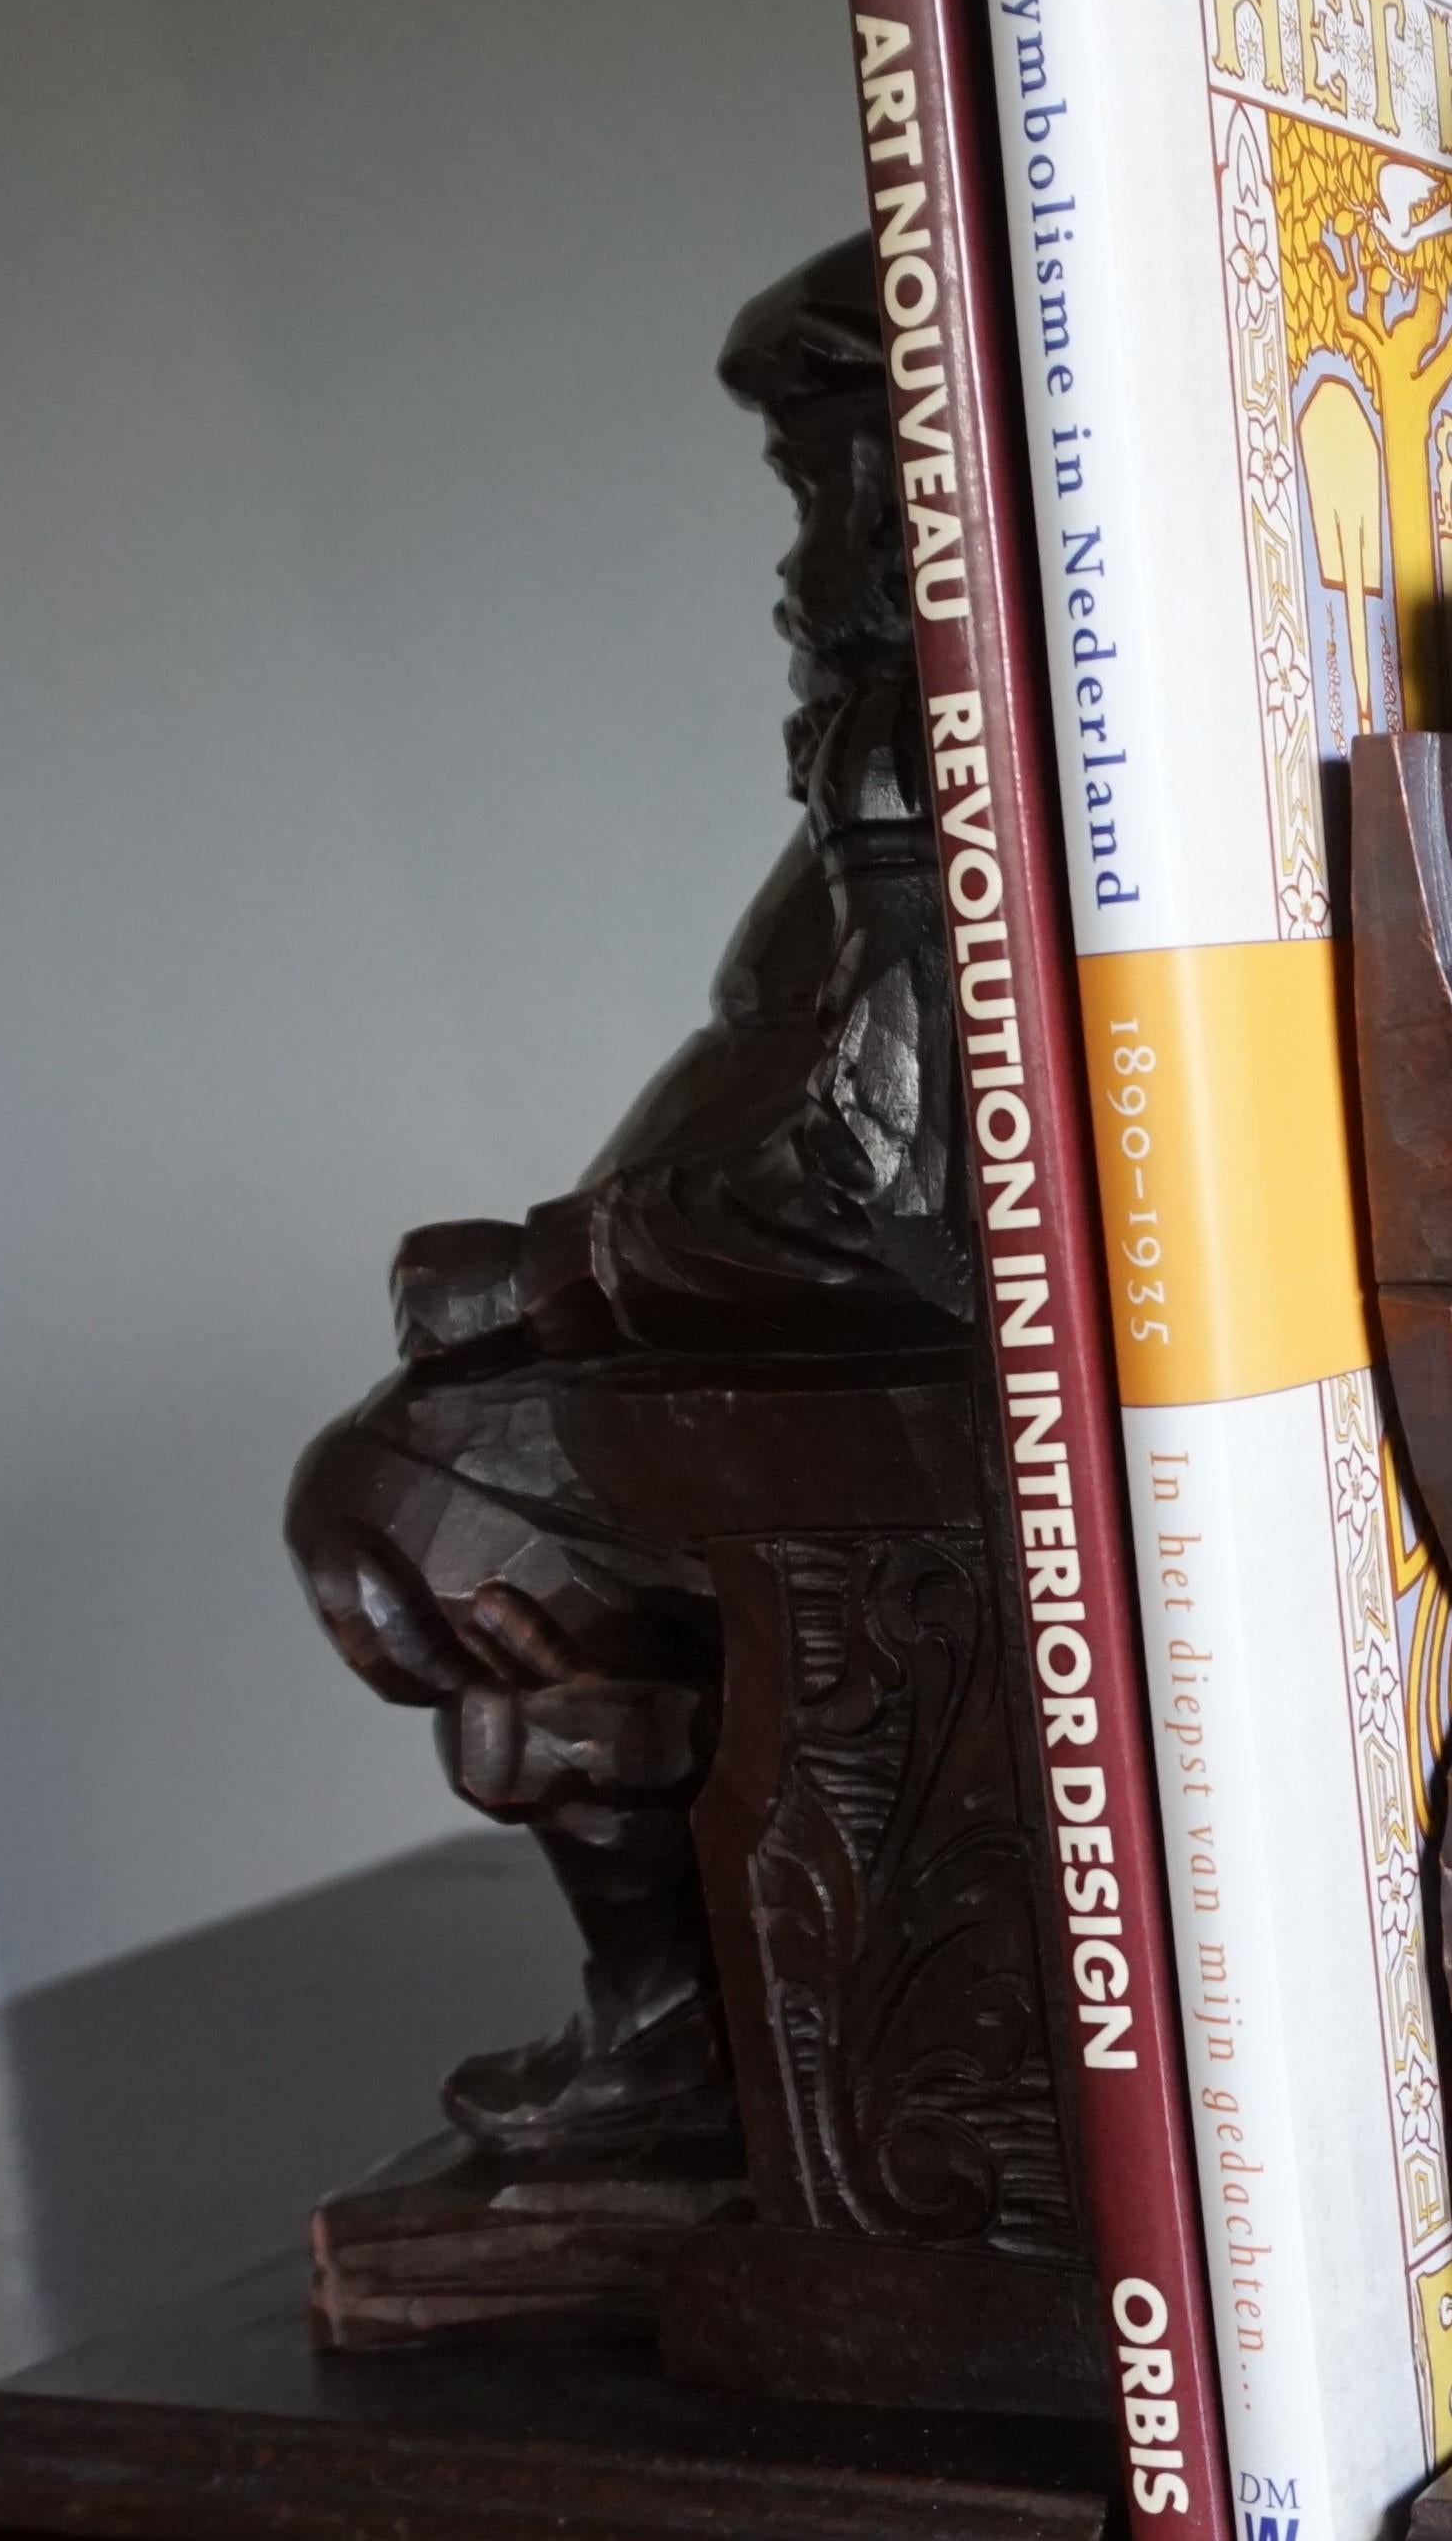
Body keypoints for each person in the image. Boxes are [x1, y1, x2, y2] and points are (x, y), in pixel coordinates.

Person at [281, 241, 972, 2177]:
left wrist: (551, 1270)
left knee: (414, 1496)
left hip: (861, 1382)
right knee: (423, 1496)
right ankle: (675, 2024)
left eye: (839, 493)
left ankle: (667, 2034)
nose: (800, 563)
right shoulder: (894, 748)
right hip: (762, 1334)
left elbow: (893, 1195)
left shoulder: (937, 762)